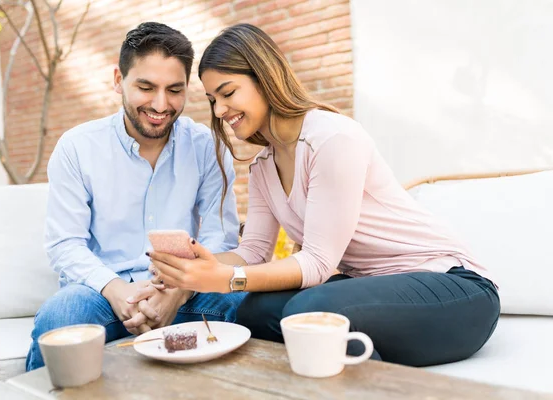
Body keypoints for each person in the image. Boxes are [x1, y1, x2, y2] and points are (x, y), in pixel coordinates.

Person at [141, 23, 500, 367]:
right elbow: (252, 253)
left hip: (455, 289)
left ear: (265, 78)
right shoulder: (264, 166)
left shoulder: (332, 138)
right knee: (254, 311)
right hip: (378, 287)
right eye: (212, 99)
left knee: (307, 310)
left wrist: (226, 279)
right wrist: (191, 269)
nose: (219, 111)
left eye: (228, 93)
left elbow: (317, 263)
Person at [26, 22, 244, 371]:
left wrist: (177, 291)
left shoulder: (207, 147)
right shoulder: (78, 148)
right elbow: (65, 244)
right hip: (102, 293)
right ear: (118, 80)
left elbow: (221, 237)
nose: (161, 104)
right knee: (62, 315)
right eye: (146, 87)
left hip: (186, 288)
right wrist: (118, 291)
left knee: (250, 303)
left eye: (174, 90)